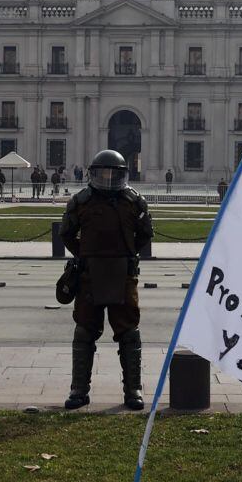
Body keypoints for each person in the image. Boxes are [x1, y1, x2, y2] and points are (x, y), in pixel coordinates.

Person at [59, 149, 153, 411]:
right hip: (90, 275)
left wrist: (128, 253)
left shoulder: (134, 202)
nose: (108, 178)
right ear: (93, 174)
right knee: (84, 332)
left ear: (123, 175)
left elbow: (146, 233)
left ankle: (132, 390)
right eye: (103, 174)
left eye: (113, 174)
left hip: (123, 275)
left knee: (129, 333)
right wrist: (85, 255)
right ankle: (79, 390)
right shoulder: (81, 201)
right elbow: (66, 233)